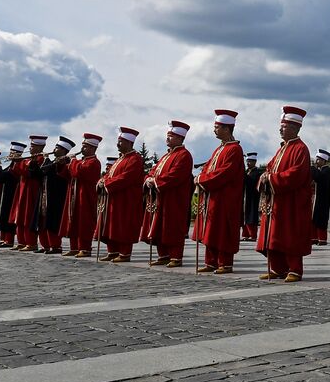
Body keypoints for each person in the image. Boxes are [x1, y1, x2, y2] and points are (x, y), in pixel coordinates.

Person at [255, 106, 315, 282]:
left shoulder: (301, 149)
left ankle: (295, 269)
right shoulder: (281, 149)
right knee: (275, 235)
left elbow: (296, 174)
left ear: (295, 128)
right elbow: (269, 168)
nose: (280, 129)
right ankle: (277, 268)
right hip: (277, 201)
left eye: (284, 126)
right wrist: (265, 177)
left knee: (290, 235)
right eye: (281, 126)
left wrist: (272, 179)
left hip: (292, 202)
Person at [193, 109, 246, 274]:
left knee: (223, 229)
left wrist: (202, 179)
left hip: (226, 198)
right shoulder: (219, 149)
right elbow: (208, 168)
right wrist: (202, 175)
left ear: (226, 128)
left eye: (217, 127)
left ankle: (225, 263)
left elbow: (224, 172)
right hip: (213, 197)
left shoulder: (235, 150)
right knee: (211, 229)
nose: (214, 130)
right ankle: (211, 261)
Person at [141, 121, 194, 266]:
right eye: (167, 135)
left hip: (174, 199)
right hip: (160, 198)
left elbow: (175, 175)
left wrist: (155, 181)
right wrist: (149, 179)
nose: (167, 138)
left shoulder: (184, 155)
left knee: (172, 227)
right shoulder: (165, 156)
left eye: (171, 136)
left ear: (179, 138)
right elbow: (153, 171)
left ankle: (176, 257)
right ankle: (163, 255)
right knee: (160, 227)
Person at [97, 128, 143, 263]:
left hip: (126, 199)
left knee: (123, 226)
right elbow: (110, 174)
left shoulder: (135, 159)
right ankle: (113, 251)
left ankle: (124, 253)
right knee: (112, 225)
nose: (118, 144)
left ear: (129, 143)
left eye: (121, 142)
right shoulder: (120, 159)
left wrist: (107, 183)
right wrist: (102, 180)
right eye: (118, 141)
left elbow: (126, 177)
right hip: (114, 198)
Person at [59, 134, 102, 257]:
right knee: (73, 221)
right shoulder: (80, 161)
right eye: (83, 146)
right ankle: (74, 247)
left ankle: (85, 248)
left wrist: (72, 161)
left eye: (85, 146)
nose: (82, 149)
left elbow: (79, 172)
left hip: (85, 196)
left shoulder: (94, 162)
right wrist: (62, 164)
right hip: (74, 195)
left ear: (93, 148)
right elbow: (67, 174)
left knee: (84, 222)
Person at [31, 137, 74, 253]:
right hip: (44, 195)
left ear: (64, 150)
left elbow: (51, 171)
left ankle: (55, 246)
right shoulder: (53, 162)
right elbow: (38, 174)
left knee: (52, 222)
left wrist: (46, 160)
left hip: (56, 196)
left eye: (57, 148)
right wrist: (34, 162)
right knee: (42, 221)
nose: (54, 149)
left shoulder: (65, 162)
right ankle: (45, 245)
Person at [10, 135, 47, 251]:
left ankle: (31, 242)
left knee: (28, 216)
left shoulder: (41, 159)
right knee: (20, 216)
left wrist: (20, 163)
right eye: (31, 145)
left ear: (40, 147)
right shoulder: (27, 159)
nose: (30, 148)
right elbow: (17, 172)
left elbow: (31, 173)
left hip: (33, 190)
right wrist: (16, 163)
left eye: (33, 146)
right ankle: (21, 241)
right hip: (22, 190)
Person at [0, 141, 25, 248]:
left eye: (12, 152)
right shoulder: (11, 165)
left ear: (18, 154)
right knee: (3, 217)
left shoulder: (18, 165)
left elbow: (5, 176)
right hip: (6, 194)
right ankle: (3, 239)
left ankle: (8, 240)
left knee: (8, 217)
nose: (9, 154)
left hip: (13, 195)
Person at [311, 149, 330, 246]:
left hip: (322, 199)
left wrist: (313, 169)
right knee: (314, 218)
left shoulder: (327, 170)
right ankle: (314, 237)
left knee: (321, 219)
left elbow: (320, 178)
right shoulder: (319, 170)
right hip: (316, 198)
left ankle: (322, 239)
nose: (316, 162)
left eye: (318, 160)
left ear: (324, 161)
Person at [241, 152, 261, 242]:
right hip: (245, 196)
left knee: (252, 216)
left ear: (254, 162)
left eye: (250, 161)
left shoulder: (257, 172)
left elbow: (252, 183)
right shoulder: (246, 172)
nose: (248, 163)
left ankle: (252, 235)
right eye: (247, 161)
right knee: (244, 215)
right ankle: (245, 234)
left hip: (253, 197)